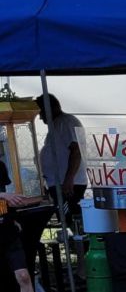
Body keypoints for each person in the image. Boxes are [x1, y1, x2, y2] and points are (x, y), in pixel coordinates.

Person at [0, 193, 52, 292]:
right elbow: (6, 195)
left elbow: (12, 197)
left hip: (8, 231)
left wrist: (13, 215)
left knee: (23, 275)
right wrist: (3, 195)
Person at [37, 94, 88, 229]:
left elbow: (76, 151)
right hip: (60, 182)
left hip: (68, 184)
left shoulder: (66, 122)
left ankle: (79, 240)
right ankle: (75, 239)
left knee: (71, 219)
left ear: (51, 108)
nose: (40, 117)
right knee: (65, 218)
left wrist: (69, 179)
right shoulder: (57, 124)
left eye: (41, 112)